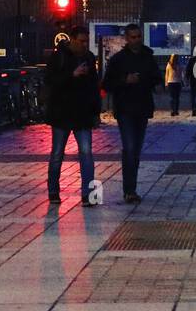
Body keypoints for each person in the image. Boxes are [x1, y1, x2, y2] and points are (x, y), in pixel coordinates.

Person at [102, 23, 160, 204]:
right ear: (127, 38)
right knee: (130, 147)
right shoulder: (118, 59)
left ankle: (131, 187)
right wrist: (125, 80)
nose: (136, 40)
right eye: (133, 37)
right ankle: (129, 189)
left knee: (135, 149)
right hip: (125, 107)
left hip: (141, 106)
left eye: (138, 37)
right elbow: (107, 83)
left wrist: (144, 79)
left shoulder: (147, 56)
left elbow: (156, 77)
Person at [44, 26, 100, 207]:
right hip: (62, 112)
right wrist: (72, 75)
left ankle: (88, 193)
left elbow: (94, 86)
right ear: (73, 40)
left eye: (86, 41)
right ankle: (53, 191)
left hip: (82, 113)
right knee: (57, 153)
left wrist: (95, 112)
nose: (84, 45)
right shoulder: (59, 56)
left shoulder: (89, 58)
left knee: (86, 152)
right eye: (81, 41)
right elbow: (50, 80)